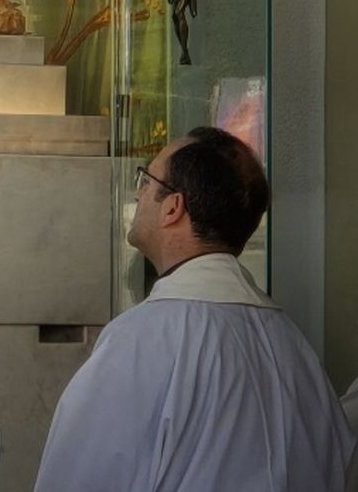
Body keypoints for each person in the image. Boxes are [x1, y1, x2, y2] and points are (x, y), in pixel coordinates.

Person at [35, 127, 356, 491]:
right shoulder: (293, 346)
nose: (138, 192)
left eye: (147, 178)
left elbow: (79, 479)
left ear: (173, 207)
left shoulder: (144, 341)